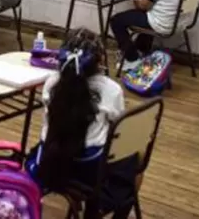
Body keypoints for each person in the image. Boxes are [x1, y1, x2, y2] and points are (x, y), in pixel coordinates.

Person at [24, 28, 137, 217]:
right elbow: (118, 127)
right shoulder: (111, 90)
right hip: (89, 168)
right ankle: (104, 210)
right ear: (100, 61)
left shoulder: (51, 83)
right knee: (135, 160)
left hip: (53, 162)